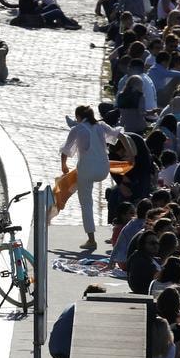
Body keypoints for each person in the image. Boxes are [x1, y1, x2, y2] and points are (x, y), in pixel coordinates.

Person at [61, 105, 124, 252]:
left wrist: (63, 166)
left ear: (78, 117)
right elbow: (119, 135)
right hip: (103, 169)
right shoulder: (101, 125)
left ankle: (91, 240)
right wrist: (131, 153)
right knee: (85, 185)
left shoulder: (77, 130)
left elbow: (65, 150)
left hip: (87, 169)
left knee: (86, 203)